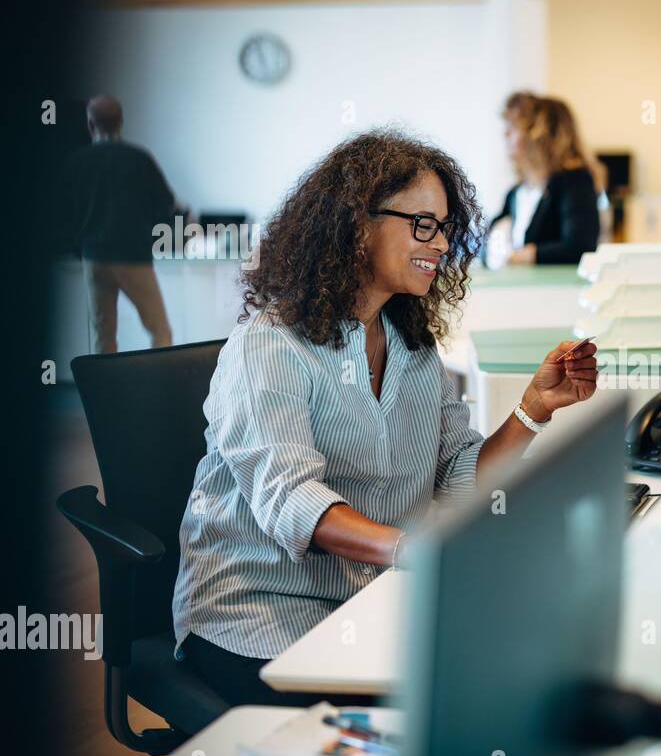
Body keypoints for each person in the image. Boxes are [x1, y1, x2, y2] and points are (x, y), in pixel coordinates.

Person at [171, 130, 600, 707]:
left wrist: (533, 410)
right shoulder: (269, 347)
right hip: (257, 612)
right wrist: (413, 551)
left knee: (523, 662)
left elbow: (456, 473)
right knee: (449, 698)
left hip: (372, 597)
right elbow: (293, 503)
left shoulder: (412, 345)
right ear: (356, 226)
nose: (440, 242)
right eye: (422, 223)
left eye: (445, 226)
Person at [64, 95, 175, 353]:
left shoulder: (77, 162)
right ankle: (162, 385)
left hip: (94, 258)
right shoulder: (139, 159)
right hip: (132, 257)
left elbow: (65, 215)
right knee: (159, 329)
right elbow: (166, 203)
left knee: (103, 335)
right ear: (121, 122)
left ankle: (103, 392)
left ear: (91, 124)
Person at [483, 92, 602, 266]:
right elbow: (486, 243)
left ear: (539, 135)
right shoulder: (516, 192)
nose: (505, 134)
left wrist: (517, 257)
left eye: (514, 127)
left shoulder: (574, 181)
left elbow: (580, 246)